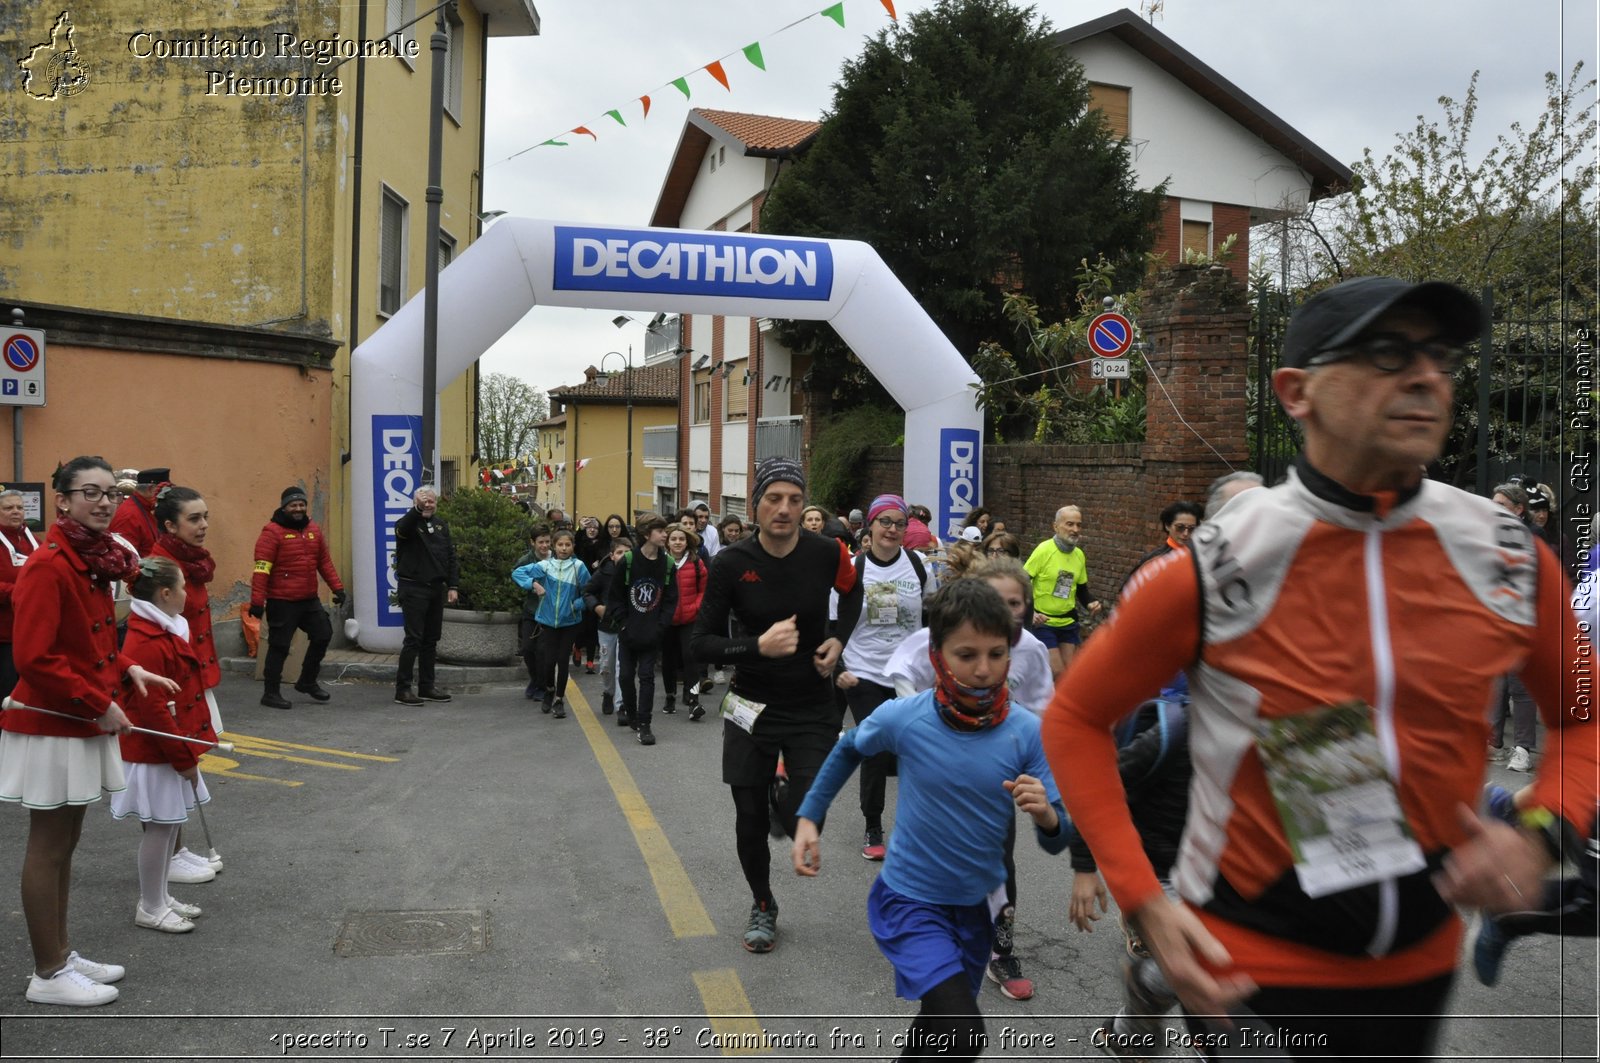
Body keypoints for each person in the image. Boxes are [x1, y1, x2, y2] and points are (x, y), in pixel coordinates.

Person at [1043, 277, 1598, 1060]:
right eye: (1385, 352)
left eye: (1438, 356)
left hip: (1418, 967)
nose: (1425, 376)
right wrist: (1142, 897)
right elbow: (1075, 715)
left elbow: (1584, 713)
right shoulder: (1213, 568)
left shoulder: (1508, 555)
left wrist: (1544, 828)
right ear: (1295, 391)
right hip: (1248, 965)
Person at [792, 579, 1070, 1061]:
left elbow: (1057, 837)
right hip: (910, 902)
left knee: (939, 1029)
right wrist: (809, 817)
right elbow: (847, 748)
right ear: (937, 653)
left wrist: (1047, 815)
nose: (984, 670)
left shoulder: (1028, 732)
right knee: (964, 1034)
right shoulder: (906, 717)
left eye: (997, 654)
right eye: (967, 655)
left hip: (977, 909)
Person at [0, 455, 179, 1007]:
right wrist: (99, 701)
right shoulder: (50, 564)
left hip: (77, 718)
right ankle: (47, 972)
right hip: (53, 723)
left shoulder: (90, 559)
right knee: (49, 846)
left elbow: (91, 642)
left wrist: (127, 669)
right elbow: (35, 658)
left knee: (67, 843)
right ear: (62, 501)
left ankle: (61, 951)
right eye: (89, 493)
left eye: (109, 494)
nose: (103, 503)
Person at [690, 456, 856, 954]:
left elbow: (854, 593)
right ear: (756, 505)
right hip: (750, 705)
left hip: (811, 704)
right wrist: (756, 646)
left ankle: (783, 796)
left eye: (795, 500)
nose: (784, 509)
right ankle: (763, 903)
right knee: (749, 820)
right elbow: (700, 643)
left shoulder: (828, 551)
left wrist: (839, 640)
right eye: (774, 499)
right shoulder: (731, 564)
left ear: (805, 505)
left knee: (810, 810)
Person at [885, 556, 1056, 1003]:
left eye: (1015, 603)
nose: (1005, 611)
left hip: (994, 777)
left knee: (999, 860)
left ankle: (1001, 952)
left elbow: (1043, 707)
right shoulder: (939, 640)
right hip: (938, 772)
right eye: (995, 600)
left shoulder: (1032, 650)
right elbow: (903, 672)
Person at [111, 556, 216, 934]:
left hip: (168, 748)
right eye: (184, 587)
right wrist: (183, 757)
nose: (188, 593)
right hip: (157, 752)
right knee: (159, 829)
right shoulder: (148, 641)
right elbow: (153, 712)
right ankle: (151, 905)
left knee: (169, 826)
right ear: (166, 593)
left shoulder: (164, 629)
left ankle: (161, 896)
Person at [834, 494, 934, 862]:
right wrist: (839, 669)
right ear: (870, 526)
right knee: (875, 747)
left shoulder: (919, 565)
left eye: (899, 523)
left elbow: (933, 618)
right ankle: (873, 824)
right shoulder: (852, 569)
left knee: (916, 748)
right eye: (885, 521)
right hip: (865, 672)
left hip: (908, 674)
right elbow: (834, 624)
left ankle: (919, 825)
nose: (892, 529)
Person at [148, 485, 224, 883]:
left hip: (196, 676)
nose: (204, 525)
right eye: (194, 519)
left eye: (205, 516)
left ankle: (177, 846)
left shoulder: (192, 562)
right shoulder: (160, 566)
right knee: (169, 766)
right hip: (174, 681)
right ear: (169, 525)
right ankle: (167, 854)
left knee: (185, 764)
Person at [249, 486, 346, 710]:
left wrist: (337, 588)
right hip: (281, 601)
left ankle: (307, 681)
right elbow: (261, 569)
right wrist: (257, 601)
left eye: (302, 504)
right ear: (284, 507)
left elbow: (324, 562)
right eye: (293, 505)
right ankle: (270, 693)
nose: (298, 508)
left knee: (323, 634)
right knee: (279, 646)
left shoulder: (313, 529)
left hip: (308, 599)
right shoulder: (271, 532)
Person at [606, 512, 676, 745]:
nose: (665, 535)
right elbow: (615, 597)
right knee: (626, 677)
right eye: (660, 531)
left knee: (647, 678)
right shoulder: (627, 561)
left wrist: (661, 626)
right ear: (647, 534)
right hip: (628, 631)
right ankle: (632, 712)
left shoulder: (667, 564)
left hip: (652, 632)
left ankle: (645, 725)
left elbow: (670, 600)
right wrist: (623, 624)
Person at [390, 486, 460, 707]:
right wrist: (417, 510)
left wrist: (453, 585)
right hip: (413, 589)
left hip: (435, 589)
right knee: (414, 640)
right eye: (424, 502)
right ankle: (403, 690)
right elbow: (403, 530)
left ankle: (427, 686)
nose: (429, 505)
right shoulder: (407, 523)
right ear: (416, 503)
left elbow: (450, 556)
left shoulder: (440, 525)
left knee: (431, 640)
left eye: (431, 501)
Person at [511, 529, 591, 719]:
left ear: (573, 546)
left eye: (568, 545)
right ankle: (549, 690)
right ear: (554, 547)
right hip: (547, 621)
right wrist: (534, 584)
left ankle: (559, 699)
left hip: (570, 622)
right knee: (548, 661)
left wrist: (576, 605)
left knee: (563, 661)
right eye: (560, 545)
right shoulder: (545, 565)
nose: (564, 548)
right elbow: (517, 573)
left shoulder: (579, 566)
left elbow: (589, 590)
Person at [1023, 505, 1102, 673]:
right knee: (1056, 671)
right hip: (1044, 622)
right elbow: (1021, 582)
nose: (1075, 529)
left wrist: (1091, 603)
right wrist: (1030, 613)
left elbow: (1081, 590)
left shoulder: (1079, 555)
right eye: (1069, 524)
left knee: (1069, 673)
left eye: (1078, 525)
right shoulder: (1044, 550)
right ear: (1056, 526)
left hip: (1068, 622)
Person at [661, 526, 708, 719]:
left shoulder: (696, 563)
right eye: (674, 539)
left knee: (691, 658)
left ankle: (693, 699)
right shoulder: (661, 562)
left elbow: (704, 590)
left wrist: (696, 607)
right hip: (667, 619)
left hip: (690, 618)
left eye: (681, 539)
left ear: (687, 542)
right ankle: (670, 695)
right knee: (668, 660)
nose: (678, 542)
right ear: (667, 542)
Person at [0, 486, 40, 700]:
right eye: (8, 508)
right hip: (4, 634)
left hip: (30, 631)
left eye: (20, 507)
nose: (16, 511)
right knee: (6, 692)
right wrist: (17, 592)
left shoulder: (30, 539)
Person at [584, 536, 631, 717]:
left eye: (627, 552)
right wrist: (597, 607)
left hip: (626, 627)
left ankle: (621, 705)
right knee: (606, 666)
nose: (623, 556)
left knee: (622, 666)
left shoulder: (635, 572)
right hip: (606, 627)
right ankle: (608, 692)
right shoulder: (604, 573)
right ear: (612, 555)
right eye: (620, 552)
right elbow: (587, 591)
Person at [513, 525, 553, 701]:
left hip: (551, 613)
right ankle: (535, 680)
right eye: (540, 542)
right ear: (533, 542)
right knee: (528, 649)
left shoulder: (558, 557)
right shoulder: (526, 560)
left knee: (543, 651)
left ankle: (543, 686)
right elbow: (516, 575)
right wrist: (532, 584)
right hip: (531, 610)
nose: (544, 546)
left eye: (547, 541)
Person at [108, 468, 168, 557]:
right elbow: (124, 558)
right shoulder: (129, 516)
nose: (167, 496)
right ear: (151, 489)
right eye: (164, 492)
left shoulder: (146, 508)